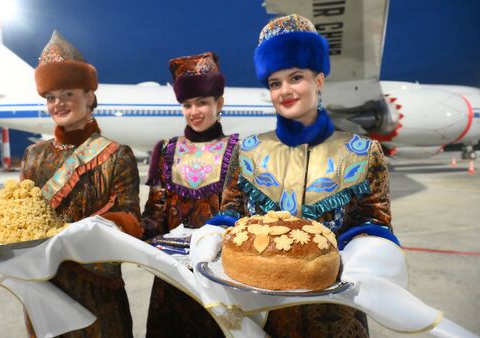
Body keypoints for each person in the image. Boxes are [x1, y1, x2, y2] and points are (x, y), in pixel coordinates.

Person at [217, 15, 399, 337]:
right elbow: (230, 216)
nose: (285, 91)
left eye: (296, 77)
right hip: (259, 317)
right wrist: (211, 237)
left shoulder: (360, 152)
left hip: (336, 318)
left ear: (319, 80)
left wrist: (357, 255)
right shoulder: (248, 151)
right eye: (275, 83)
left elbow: (375, 225)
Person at [20, 31, 143, 337]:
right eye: (50, 97)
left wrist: (75, 234)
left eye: (68, 94)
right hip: (44, 289)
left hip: (97, 294)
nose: (58, 104)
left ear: (89, 96)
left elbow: (131, 222)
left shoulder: (116, 155)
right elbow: (21, 217)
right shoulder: (33, 156)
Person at [142, 52, 238, 337]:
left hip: (219, 276)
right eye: (187, 105)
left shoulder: (237, 150)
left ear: (218, 103)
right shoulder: (167, 150)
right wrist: (131, 233)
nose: (194, 111)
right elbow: (155, 213)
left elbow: (242, 217)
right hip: (173, 279)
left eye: (202, 103)